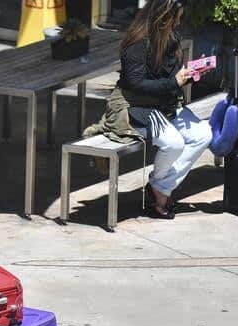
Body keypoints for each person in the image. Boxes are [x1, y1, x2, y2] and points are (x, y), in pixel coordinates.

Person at [86, 0, 212, 219]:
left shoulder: (170, 38)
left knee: (203, 134)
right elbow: (137, 84)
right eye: (175, 18)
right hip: (134, 105)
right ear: (162, 18)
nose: (178, 22)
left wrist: (190, 75)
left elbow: (171, 79)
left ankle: (161, 187)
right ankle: (161, 192)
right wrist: (175, 82)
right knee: (174, 143)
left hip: (163, 105)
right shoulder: (136, 43)